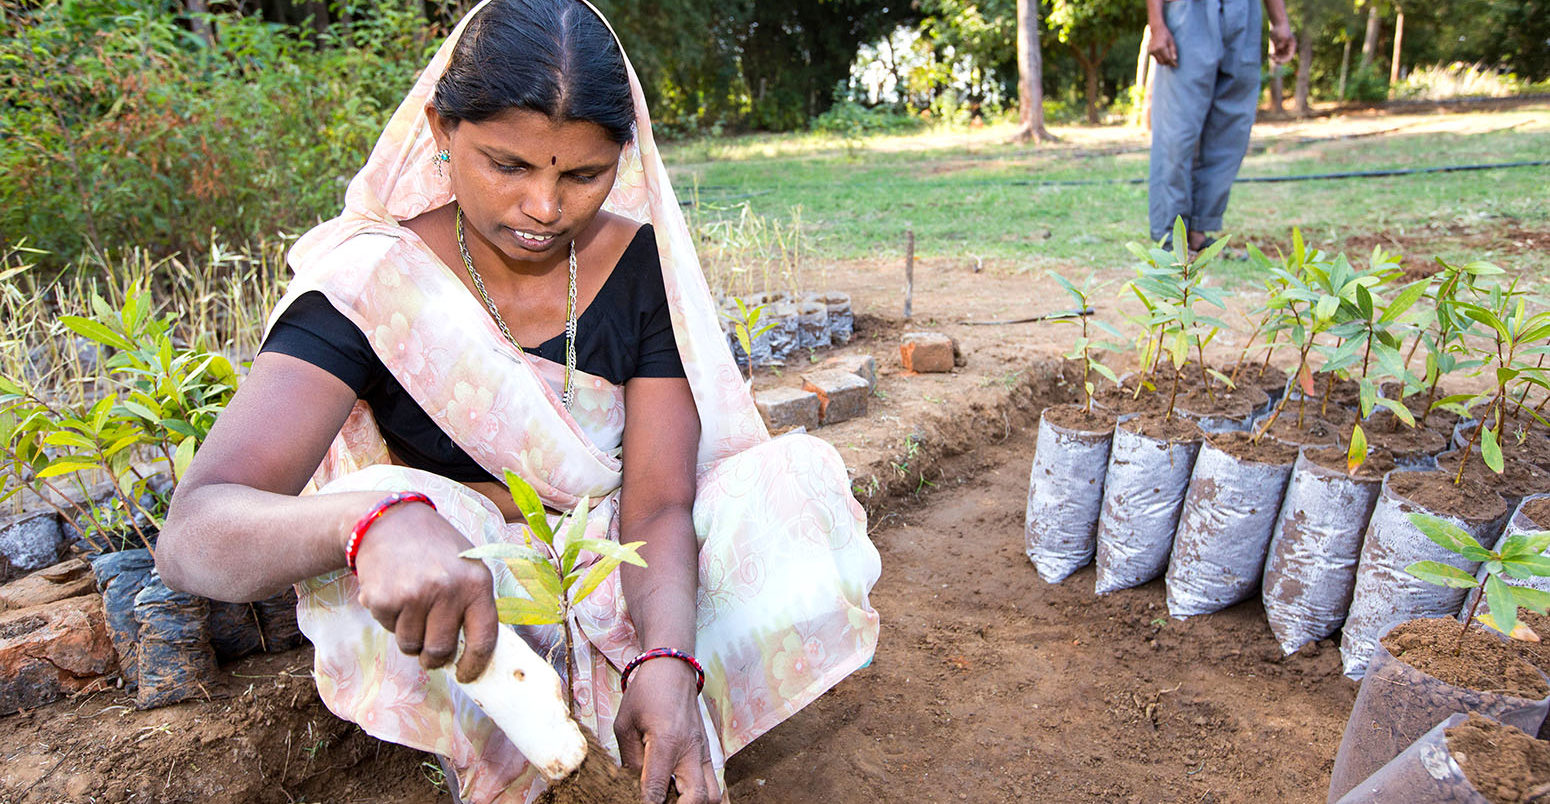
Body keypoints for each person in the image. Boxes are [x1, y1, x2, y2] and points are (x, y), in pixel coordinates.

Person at [154, 1, 881, 802]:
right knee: (404, 503)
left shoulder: (639, 265)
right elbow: (195, 532)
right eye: (508, 165)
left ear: (623, 158)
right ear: (440, 130)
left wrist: (667, 657)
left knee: (791, 484)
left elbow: (657, 506)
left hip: (624, 563)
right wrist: (371, 523)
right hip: (475, 594)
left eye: (582, 175)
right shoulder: (372, 285)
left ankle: (660, 728)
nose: (544, 208)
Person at [1146, 0, 1295, 252]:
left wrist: (1280, 21)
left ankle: (1198, 232)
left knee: (1230, 129)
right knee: (1178, 128)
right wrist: (1157, 24)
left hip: (1245, 13)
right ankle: (1171, 236)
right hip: (1190, 11)